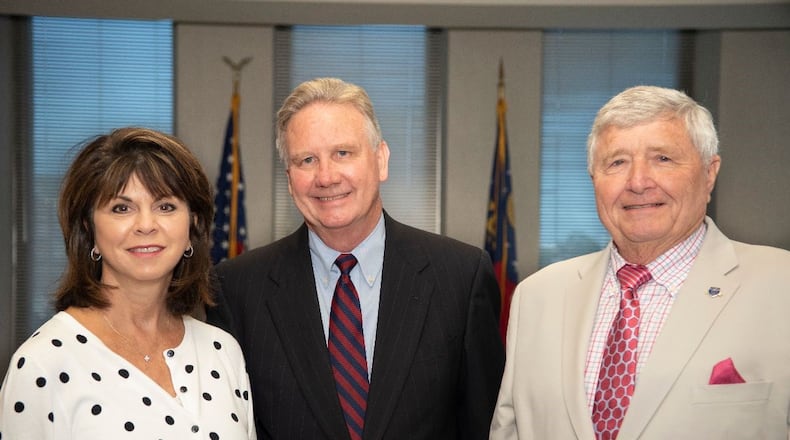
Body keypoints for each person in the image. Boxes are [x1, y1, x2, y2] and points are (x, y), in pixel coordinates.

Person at [206, 77, 505, 440]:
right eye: (307, 160)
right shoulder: (237, 288)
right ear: (289, 180)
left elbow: (484, 426)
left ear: (380, 160)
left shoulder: (460, 276)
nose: (326, 177)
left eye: (343, 153)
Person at [490, 85, 790, 439]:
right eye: (616, 162)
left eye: (662, 158)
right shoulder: (537, 296)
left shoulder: (779, 286)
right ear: (594, 180)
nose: (637, 182)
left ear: (709, 174)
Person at [0, 127, 256, 439]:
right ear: (88, 227)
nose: (146, 225)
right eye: (122, 208)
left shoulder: (223, 351)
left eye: (166, 206)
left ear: (194, 223)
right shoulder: (43, 364)